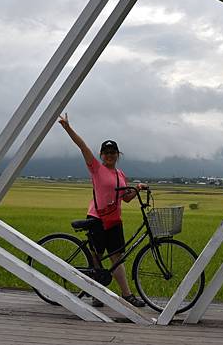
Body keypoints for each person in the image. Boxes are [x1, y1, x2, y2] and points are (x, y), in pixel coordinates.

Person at [58, 113, 147, 308]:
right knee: (96, 258)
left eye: (112, 152)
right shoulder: (96, 168)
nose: (109, 155)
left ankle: (127, 295)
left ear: (118, 154)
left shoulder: (120, 174)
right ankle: (96, 294)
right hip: (97, 218)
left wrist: (136, 189)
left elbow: (126, 198)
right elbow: (83, 147)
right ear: (101, 155)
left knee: (116, 258)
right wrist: (67, 128)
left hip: (115, 220)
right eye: (106, 152)